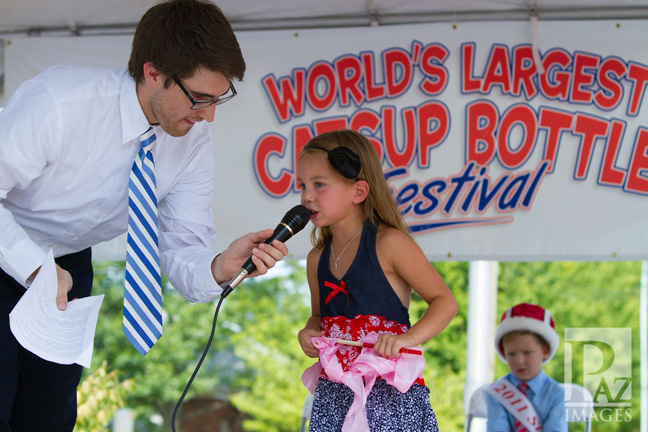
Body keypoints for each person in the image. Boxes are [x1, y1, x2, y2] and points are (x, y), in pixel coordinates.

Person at [0, 1, 289, 431]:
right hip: (11, 247)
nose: (208, 114)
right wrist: (32, 267)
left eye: (219, 98)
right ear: (153, 73)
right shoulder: (59, 104)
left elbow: (181, 249)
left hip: (68, 262)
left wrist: (216, 267)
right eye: (200, 98)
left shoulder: (192, 143)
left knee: (49, 414)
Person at [296, 129, 458, 431]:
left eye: (319, 184)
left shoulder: (390, 243)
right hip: (334, 395)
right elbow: (319, 316)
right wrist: (309, 332)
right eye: (302, 185)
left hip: (389, 396)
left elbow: (445, 302)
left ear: (358, 191)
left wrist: (407, 339)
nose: (306, 195)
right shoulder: (316, 258)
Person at [485, 303, 566, 432]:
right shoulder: (496, 392)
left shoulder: (556, 393)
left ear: (545, 351)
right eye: (511, 354)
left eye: (527, 353)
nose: (519, 361)